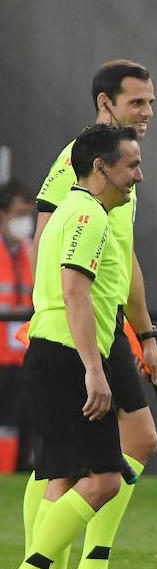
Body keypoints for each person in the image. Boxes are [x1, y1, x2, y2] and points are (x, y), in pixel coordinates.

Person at [26, 61, 157, 569]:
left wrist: (145, 331)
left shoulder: (108, 197)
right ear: (106, 104)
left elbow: (122, 261)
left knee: (122, 449)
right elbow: (64, 267)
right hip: (75, 340)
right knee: (70, 468)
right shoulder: (77, 178)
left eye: (151, 103)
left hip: (96, 333)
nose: (148, 113)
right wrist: (88, 357)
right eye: (137, 104)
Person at [0, 124, 141, 569]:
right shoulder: (87, 214)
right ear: (100, 169)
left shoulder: (74, 212)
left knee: (59, 476)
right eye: (130, 165)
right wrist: (94, 369)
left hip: (54, 353)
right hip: (65, 356)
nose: (137, 176)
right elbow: (75, 293)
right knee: (103, 478)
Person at [0, 181, 36, 475]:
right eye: (18, 213)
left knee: (21, 422)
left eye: (28, 213)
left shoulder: (31, 252)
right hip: (0, 358)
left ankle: (13, 475)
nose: (25, 220)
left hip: (24, 357)